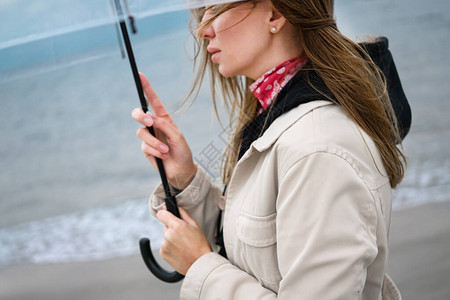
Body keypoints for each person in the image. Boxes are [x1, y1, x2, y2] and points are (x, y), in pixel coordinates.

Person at [131, 0, 409, 299]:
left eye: (214, 8)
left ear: (275, 13)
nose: (202, 30)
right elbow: (257, 254)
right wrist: (185, 178)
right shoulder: (279, 118)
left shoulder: (319, 148)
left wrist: (201, 266)